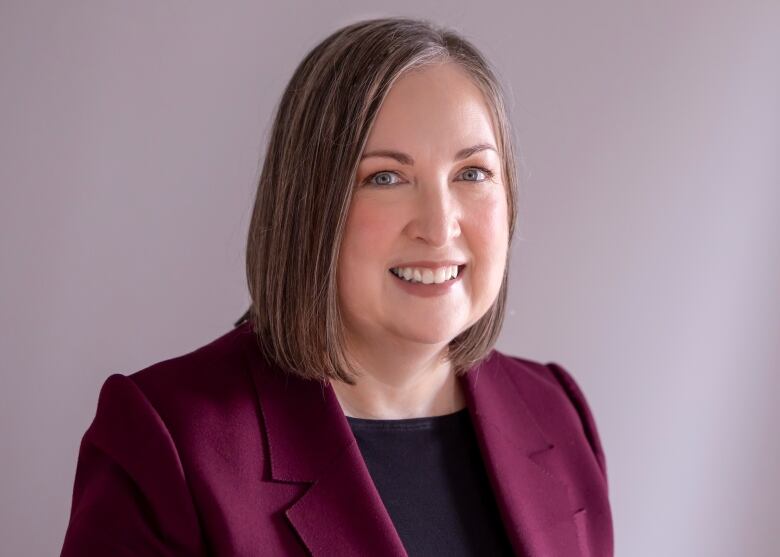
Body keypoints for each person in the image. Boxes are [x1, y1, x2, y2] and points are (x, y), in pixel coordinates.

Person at [60, 16, 613, 557]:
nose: (440, 224)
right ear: (309, 207)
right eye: (385, 177)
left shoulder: (556, 410)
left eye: (472, 173)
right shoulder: (171, 441)